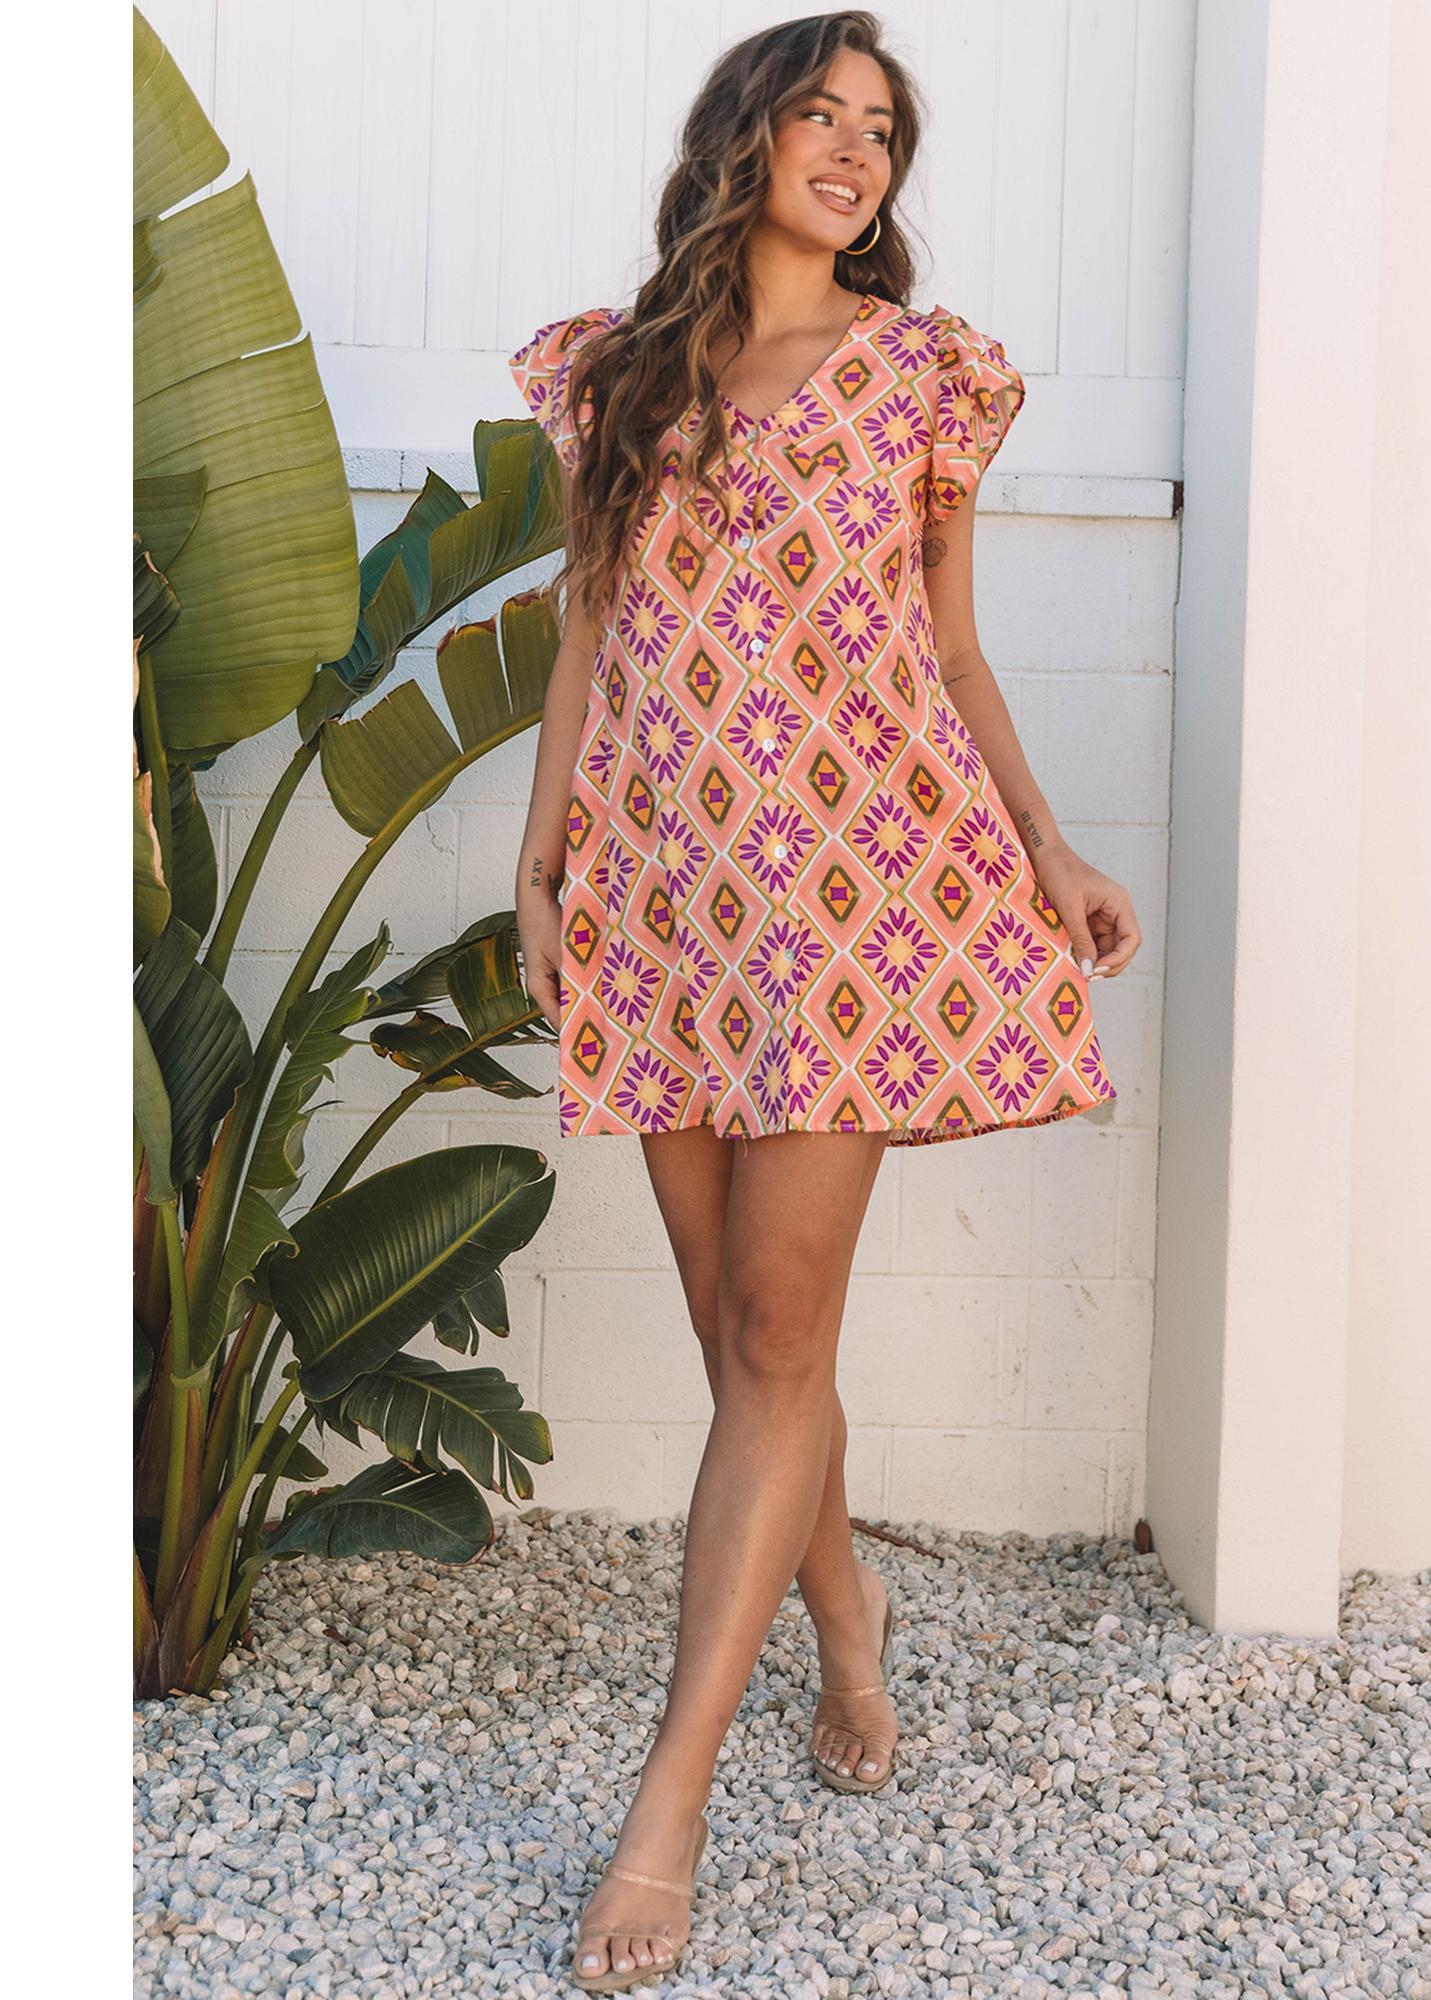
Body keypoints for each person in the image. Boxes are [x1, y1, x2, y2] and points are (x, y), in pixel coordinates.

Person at [508, 11, 1141, 1988]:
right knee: (737, 1331)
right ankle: (841, 1602)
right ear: (745, 135)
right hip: (667, 889)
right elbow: (590, 627)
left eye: (884, 129)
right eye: (821, 112)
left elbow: (949, 650)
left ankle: (666, 1810)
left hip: (861, 891)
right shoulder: (615, 371)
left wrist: (1045, 842)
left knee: (781, 1326)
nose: (857, 150)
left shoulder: (927, 373)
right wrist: (541, 867)